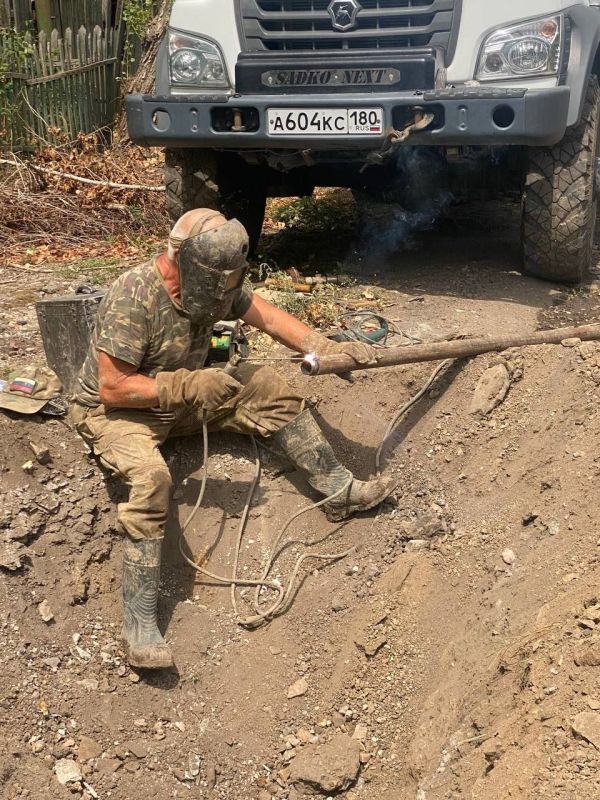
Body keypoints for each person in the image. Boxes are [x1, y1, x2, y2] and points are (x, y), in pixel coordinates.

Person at [71, 209, 396, 670]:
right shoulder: (134, 294)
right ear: (180, 260)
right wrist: (184, 386)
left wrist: (319, 345)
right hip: (122, 413)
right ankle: (140, 624)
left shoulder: (215, 282)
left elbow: (265, 315)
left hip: (183, 400)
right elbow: (112, 386)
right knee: (150, 479)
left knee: (271, 389)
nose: (222, 291)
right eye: (214, 282)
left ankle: (340, 491)